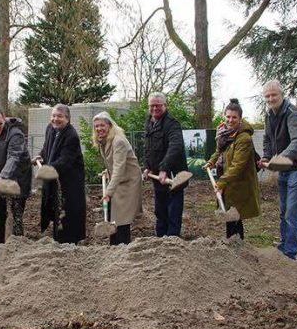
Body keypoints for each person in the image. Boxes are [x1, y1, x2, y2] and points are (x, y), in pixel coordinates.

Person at [260, 80, 297, 259]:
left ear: (282, 95)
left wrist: (280, 159)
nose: (270, 99)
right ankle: (284, 245)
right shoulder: (269, 115)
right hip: (284, 166)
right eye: (267, 96)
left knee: (293, 211)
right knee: (284, 209)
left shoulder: (292, 113)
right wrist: (267, 157)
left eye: (274, 95)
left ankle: (290, 253)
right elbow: (268, 140)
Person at [205, 99, 260, 240]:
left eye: (234, 117)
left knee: (234, 217)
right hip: (229, 181)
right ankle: (234, 247)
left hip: (238, 183)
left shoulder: (244, 138)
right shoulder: (224, 133)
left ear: (240, 119)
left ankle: (237, 250)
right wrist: (211, 161)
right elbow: (219, 151)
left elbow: (238, 165)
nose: (230, 120)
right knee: (231, 218)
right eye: (228, 116)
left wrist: (222, 183)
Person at [34, 104, 86, 244]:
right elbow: (46, 149)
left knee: (68, 212)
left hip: (69, 183)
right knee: (55, 210)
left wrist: (47, 169)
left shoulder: (71, 136)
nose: (55, 119)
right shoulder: (50, 129)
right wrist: (40, 156)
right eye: (54, 116)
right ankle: (58, 239)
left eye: (60, 116)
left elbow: (64, 160)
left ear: (67, 119)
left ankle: (71, 243)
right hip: (55, 180)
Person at [0, 107, 32, 244]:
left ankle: (17, 245)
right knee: (0, 212)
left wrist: (3, 177)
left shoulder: (15, 135)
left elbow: (14, 157)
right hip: (0, 177)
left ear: (4, 119)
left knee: (16, 214)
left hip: (18, 178)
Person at [92, 111, 143, 245]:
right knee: (113, 216)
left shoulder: (118, 141)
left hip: (128, 182)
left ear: (109, 125)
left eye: (102, 125)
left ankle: (123, 246)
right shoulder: (104, 141)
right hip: (118, 179)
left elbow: (119, 168)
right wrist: (107, 171)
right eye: (96, 126)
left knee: (121, 218)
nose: (99, 129)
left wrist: (108, 192)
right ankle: (114, 246)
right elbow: (113, 163)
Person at [143, 92, 188, 237]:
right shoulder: (149, 122)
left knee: (173, 211)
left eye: (158, 105)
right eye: (152, 106)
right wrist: (147, 166)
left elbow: (176, 146)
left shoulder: (172, 124)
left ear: (165, 106)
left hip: (173, 177)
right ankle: (160, 239)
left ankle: (173, 241)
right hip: (157, 176)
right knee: (160, 211)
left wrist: (164, 168)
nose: (154, 108)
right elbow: (148, 148)